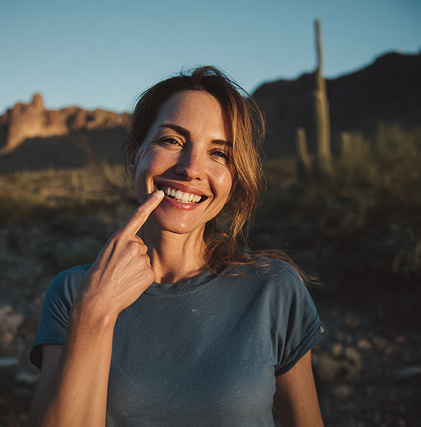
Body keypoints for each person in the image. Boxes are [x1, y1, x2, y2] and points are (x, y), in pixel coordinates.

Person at [28, 66, 325, 427]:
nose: (191, 169)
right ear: (134, 154)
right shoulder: (74, 293)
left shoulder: (273, 289)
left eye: (219, 153)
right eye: (171, 141)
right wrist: (94, 314)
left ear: (234, 177)